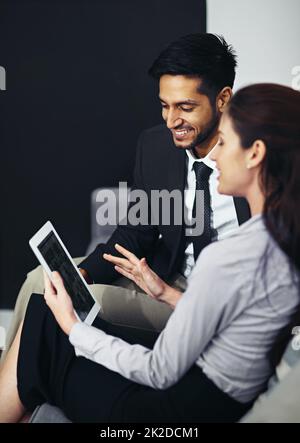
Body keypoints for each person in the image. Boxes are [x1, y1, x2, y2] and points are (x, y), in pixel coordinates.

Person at [0, 83, 299, 423]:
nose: (214, 154)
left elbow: (159, 372)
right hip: (212, 396)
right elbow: (242, 324)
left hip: (169, 409)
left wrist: (73, 327)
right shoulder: (280, 241)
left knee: (48, 327)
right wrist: (166, 293)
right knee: (42, 317)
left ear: (255, 153)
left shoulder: (229, 256)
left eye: (225, 142)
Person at [2, 33, 250, 358]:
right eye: (165, 105)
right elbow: (136, 233)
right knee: (43, 279)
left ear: (222, 99)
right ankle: (9, 382)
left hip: (215, 302)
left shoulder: (255, 157)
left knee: (88, 305)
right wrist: (84, 275)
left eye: (186, 107)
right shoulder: (156, 146)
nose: (171, 120)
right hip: (164, 278)